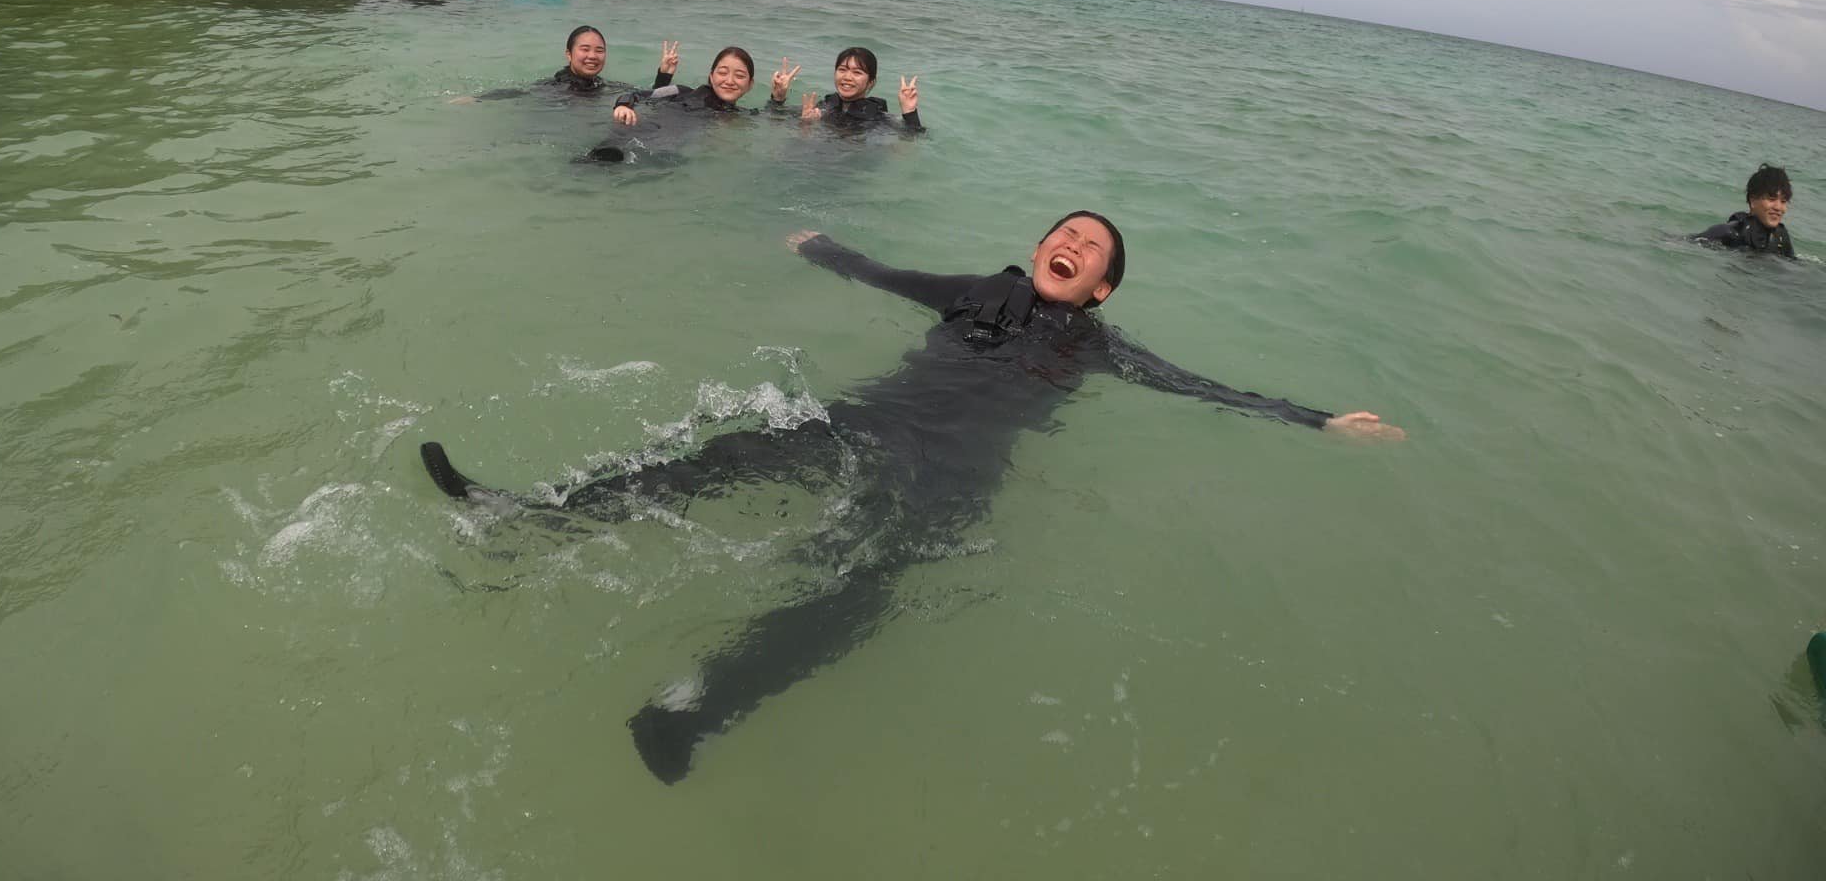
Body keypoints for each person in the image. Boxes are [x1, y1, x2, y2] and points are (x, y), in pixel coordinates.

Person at [418, 210, 1402, 782]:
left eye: (1088, 247)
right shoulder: (981, 290)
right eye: (1062, 231)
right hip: (873, 424)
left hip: (953, 477)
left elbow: (1202, 389)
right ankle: (521, 513)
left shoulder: (1100, 347)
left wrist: (1314, 420)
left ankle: (691, 711)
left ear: (1101, 289)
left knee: (860, 593)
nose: (1069, 242)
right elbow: (890, 275)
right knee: (719, 461)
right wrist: (820, 249)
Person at [452, 30, 679, 103]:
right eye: (585, 49)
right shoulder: (557, 85)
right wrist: (478, 98)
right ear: (568, 54)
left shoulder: (602, 85)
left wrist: (664, 76)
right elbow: (522, 92)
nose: (592, 56)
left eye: (599, 50)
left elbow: (644, 98)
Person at [767, 46, 922, 132]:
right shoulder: (821, 108)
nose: (847, 77)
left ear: (871, 82)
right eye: (842, 70)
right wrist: (778, 98)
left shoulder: (879, 117)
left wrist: (909, 112)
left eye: (857, 72)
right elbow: (771, 118)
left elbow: (913, 137)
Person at [608, 46, 757, 127]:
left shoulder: (741, 115)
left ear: (750, 84)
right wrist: (624, 106)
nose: (729, 81)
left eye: (739, 76)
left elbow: (774, 119)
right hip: (640, 133)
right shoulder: (680, 91)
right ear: (711, 77)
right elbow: (638, 95)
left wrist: (778, 98)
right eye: (723, 72)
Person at [1693, 164, 1796, 259]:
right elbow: (1687, 243)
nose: (1778, 207)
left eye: (1783, 201)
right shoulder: (1729, 232)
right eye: (1771, 199)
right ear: (1753, 200)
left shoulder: (1781, 238)